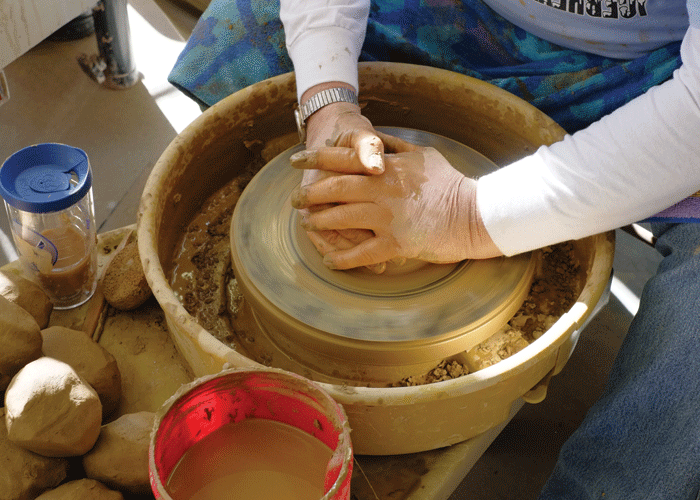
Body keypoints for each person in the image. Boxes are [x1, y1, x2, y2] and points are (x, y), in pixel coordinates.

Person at [170, 1, 700, 498]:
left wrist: (467, 216)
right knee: (250, 26)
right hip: (461, 18)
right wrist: (327, 106)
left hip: (652, 69)